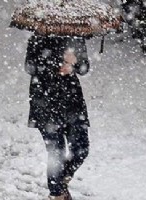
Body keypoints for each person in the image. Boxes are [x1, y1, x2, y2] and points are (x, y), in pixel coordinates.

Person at [24, 34, 90, 200]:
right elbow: (30, 67)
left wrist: (74, 64)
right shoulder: (38, 38)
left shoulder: (76, 37)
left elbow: (85, 67)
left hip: (72, 103)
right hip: (45, 103)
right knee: (56, 153)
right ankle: (57, 194)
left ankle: (61, 180)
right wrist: (58, 62)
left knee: (81, 148)